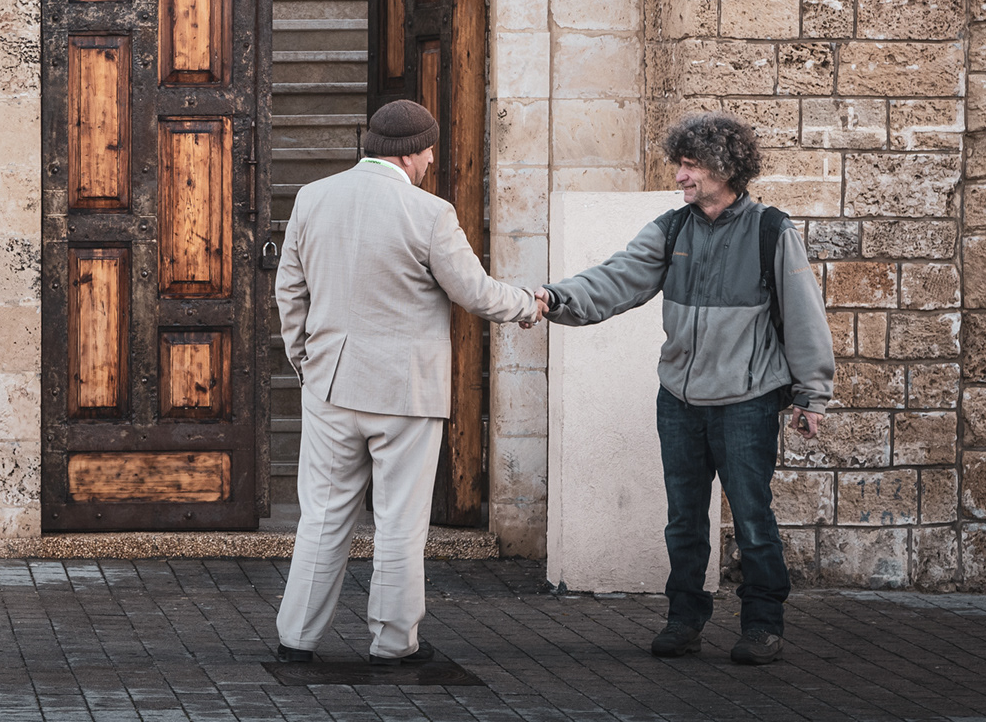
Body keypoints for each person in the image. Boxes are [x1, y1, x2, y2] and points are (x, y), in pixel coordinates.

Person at [534, 112, 834, 667]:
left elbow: (804, 316)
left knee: (752, 517)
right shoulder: (673, 229)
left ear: (725, 166)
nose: (679, 176)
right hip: (679, 401)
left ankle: (763, 625)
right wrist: (554, 298)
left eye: (690, 165)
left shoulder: (771, 231)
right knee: (684, 518)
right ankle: (684, 619)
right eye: (681, 164)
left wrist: (811, 394)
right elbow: (616, 277)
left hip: (746, 402)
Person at [274, 99, 541, 664]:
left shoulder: (312, 197)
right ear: (417, 153)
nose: (427, 163)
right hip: (407, 393)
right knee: (399, 523)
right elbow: (474, 292)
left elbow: (289, 292)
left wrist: (306, 361)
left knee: (321, 517)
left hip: (329, 382)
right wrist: (528, 304)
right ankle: (394, 644)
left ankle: (296, 639)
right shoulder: (431, 212)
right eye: (427, 155)